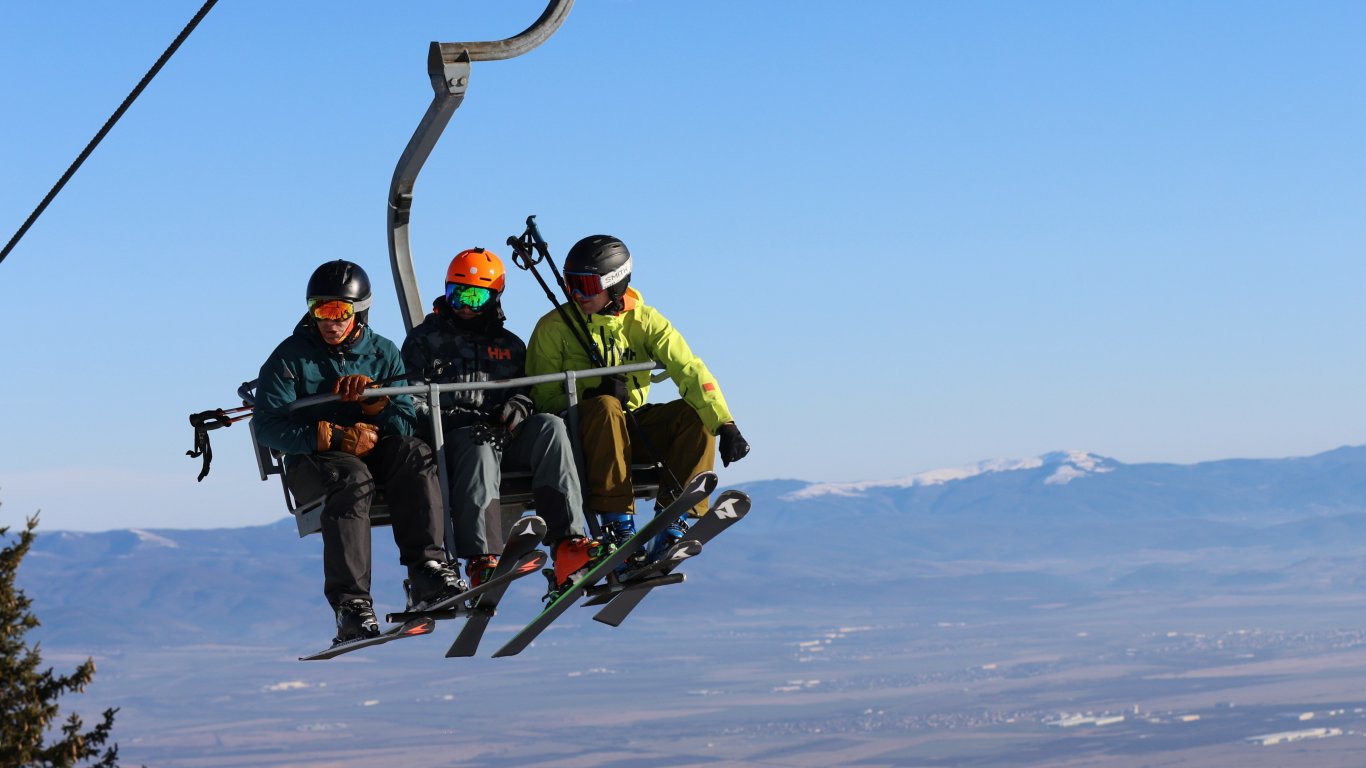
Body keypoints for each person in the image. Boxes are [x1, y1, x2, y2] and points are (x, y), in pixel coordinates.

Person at [252, 260, 463, 645]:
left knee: (415, 454)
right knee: (351, 478)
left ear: (359, 311)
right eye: (320, 310)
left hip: (374, 450)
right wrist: (326, 437)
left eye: (339, 311)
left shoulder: (382, 353)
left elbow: (405, 422)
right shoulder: (290, 357)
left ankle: (428, 569)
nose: (329, 322)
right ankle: (351, 605)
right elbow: (267, 425)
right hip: (316, 461)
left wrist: (376, 406)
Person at [526, 234, 751, 564]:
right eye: (570, 284)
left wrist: (725, 423)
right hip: (578, 438)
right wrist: (590, 396)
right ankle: (617, 525)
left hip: (629, 425)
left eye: (586, 286)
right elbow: (541, 397)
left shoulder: (645, 321)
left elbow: (689, 369)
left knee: (694, 415)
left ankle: (673, 520)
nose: (576, 295)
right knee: (606, 407)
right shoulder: (554, 327)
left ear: (615, 284)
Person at [401, 247, 599, 594]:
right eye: (457, 294)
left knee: (551, 427)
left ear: (495, 297)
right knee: (479, 444)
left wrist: (520, 405)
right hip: (455, 441)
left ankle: (568, 542)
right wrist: (461, 418)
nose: (465, 305)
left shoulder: (510, 345)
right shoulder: (424, 341)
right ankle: (483, 559)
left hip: (505, 437)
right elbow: (411, 402)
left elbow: (527, 391)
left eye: (476, 297)